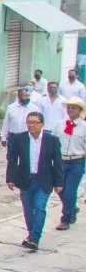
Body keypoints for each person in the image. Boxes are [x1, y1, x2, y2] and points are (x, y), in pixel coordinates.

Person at [6, 111, 64, 252]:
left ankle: (34, 238)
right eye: (29, 122)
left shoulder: (52, 140)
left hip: (43, 180)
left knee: (39, 207)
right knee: (27, 209)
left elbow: (57, 163)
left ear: (42, 124)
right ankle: (32, 234)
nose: (31, 125)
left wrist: (59, 182)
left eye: (34, 122)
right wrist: (10, 178)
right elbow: (13, 159)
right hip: (25, 179)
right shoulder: (19, 138)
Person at [53, 97, 86, 231]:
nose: (71, 110)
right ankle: (72, 208)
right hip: (61, 162)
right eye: (69, 107)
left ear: (80, 110)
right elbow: (53, 143)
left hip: (76, 161)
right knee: (60, 189)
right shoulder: (60, 124)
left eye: (74, 107)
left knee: (70, 191)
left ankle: (65, 219)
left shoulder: (84, 127)